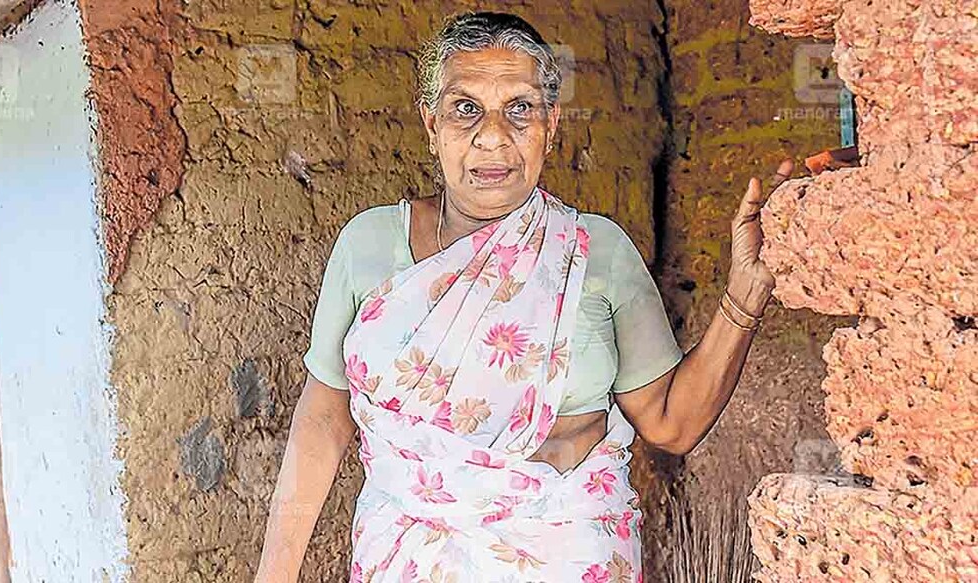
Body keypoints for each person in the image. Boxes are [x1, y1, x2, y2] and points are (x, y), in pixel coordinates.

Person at [255, 11, 793, 583]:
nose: (493, 136)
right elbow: (323, 419)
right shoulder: (367, 246)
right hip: (409, 559)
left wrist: (746, 291)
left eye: (520, 109)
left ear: (551, 125)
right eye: (466, 109)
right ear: (430, 123)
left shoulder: (594, 252)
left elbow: (671, 424)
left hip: (569, 554)